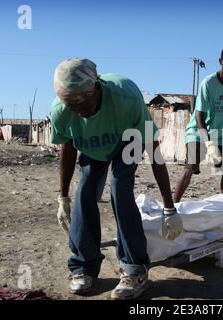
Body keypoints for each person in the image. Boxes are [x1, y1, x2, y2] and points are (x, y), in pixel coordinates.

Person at [50, 58, 183, 299]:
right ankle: (83, 266)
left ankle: (135, 270)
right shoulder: (61, 111)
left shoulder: (127, 99)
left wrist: (168, 207)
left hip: (126, 141)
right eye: (72, 106)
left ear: (96, 88)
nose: (79, 111)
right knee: (84, 192)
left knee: (120, 190)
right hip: (93, 148)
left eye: (83, 103)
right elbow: (67, 151)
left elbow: (154, 153)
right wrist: (63, 197)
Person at [173, 46, 223, 203]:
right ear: (220, 62)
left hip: (220, 135)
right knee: (190, 167)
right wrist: (208, 143)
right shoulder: (208, 83)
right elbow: (199, 116)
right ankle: (171, 207)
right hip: (197, 132)